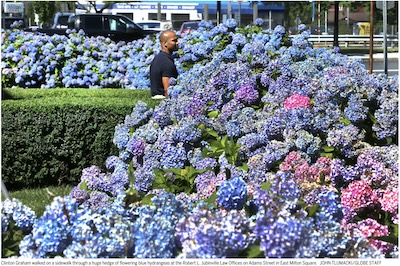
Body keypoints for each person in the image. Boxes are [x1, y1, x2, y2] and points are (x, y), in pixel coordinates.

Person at [150, 30, 179, 99]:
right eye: (174, 41)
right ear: (165, 43)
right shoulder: (167, 62)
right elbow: (167, 90)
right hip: (161, 98)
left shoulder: (158, 58)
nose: (177, 43)